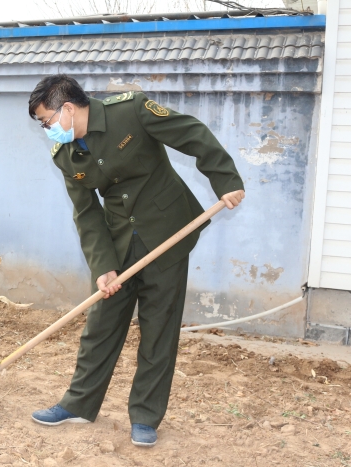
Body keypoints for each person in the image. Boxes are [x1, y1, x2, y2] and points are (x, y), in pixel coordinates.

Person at [27, 75, 245, 447]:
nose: (47, 130)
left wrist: (225, 180)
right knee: (101, 324)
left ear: (67, 108)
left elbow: (191, 133)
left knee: (158, 327)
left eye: (47, 121)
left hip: (166, 231)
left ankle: (145, 416)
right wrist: (102, 266)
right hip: (118, 241)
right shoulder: (65, 155)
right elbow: (86, 213)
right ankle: (79, 403)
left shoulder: (130, 111)